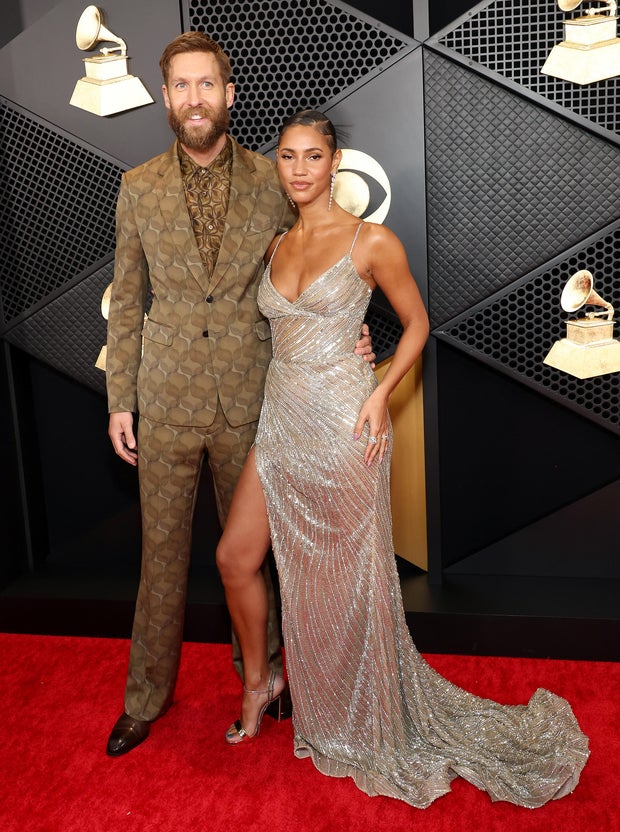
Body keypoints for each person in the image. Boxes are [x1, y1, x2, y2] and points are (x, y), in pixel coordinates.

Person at [215, 110, 589, 808]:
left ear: (335, 164)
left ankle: (359, 715)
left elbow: (417, 323)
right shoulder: (273, 246)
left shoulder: (370, 240)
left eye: (313, 156)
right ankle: (259, 682)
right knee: (236, 557)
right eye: (288, 156)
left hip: (347, 425)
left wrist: (382, 389)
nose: (299, 168)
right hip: (281, 421)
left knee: (349, 581)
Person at [104, 35, 373, 757]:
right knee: (159, 560)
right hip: (163, 400)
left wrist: (352, 331)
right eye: (181, 86)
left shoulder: (272, 179)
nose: (194, 98)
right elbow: (127, 302)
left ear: (230, 94)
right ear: (165, 99)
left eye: (206, 85)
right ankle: (143, 698)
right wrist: (119, 399)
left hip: (256, 398)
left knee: (259, 554)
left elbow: (320, 261)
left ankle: (271, 678)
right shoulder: (137, 186)